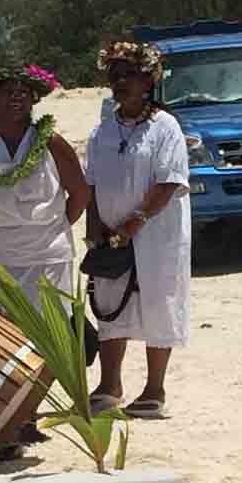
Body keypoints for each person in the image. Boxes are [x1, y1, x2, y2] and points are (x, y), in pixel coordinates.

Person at [85, 40, 195, 416]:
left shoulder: (166, 127)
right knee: (110, 304)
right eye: (114, 75)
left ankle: (154, 390)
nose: (120, 82)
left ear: (147, 81)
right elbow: (93, 185)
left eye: (128, 75)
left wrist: (133, 225)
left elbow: (168, 183)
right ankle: (109, 384)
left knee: (158, 302)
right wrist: (95, 230)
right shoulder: (102, 132)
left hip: (156, 235)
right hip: (112, 234)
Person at [0, 62, 92, 308]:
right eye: (8, 91)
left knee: (50, 334)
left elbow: (80, 193)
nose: (16, 97)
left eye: (23, 92)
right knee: (5, 337)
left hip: (47, 257)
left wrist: (53, 227)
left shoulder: (52, 143)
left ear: (33, 100)